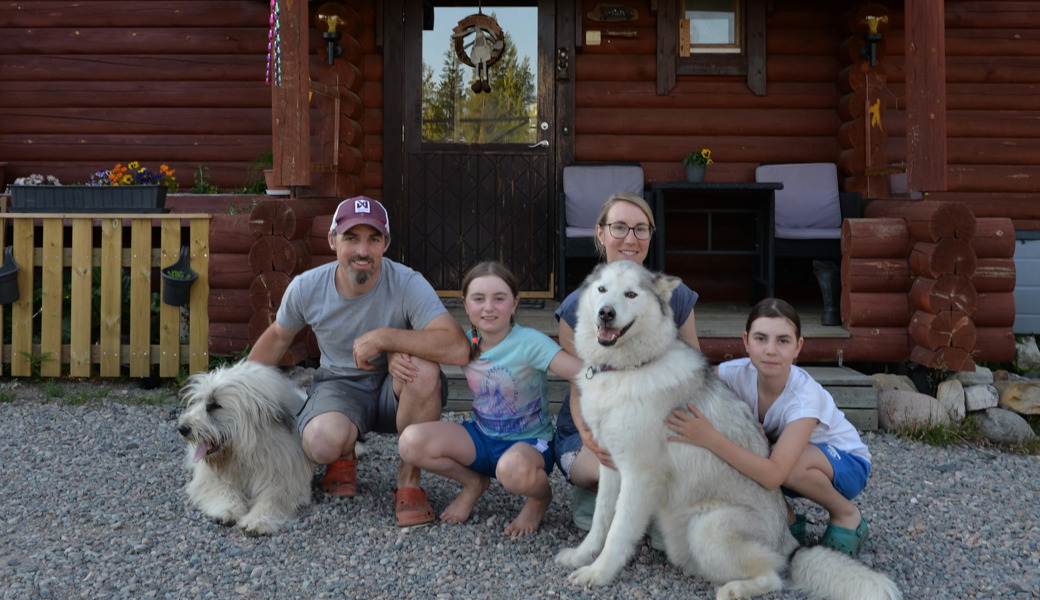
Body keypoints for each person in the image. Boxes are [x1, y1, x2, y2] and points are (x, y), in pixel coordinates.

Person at [248, 196, 470, 527]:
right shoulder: (307, 287)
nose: (362, 250)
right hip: (339, 385)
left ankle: (409, 479)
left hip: (394, 388)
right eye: (351, 238)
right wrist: (241, 389)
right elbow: (279, 337)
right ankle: (343, 453)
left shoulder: (408, 282)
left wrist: (387, 338)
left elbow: (457, 348)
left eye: (373, 239)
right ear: (333, 240)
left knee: (423, 371)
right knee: (319, 442)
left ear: (386, 243)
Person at [666, 298, 873, 557]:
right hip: (783, 459)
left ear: (798, 347)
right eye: (761, 338)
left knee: (780, 465)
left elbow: (775, 474)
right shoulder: (735, 373)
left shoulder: (805, 398)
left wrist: (709, 437)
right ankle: (785, 517)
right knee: (745, 447)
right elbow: (694, 383)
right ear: (746, 341)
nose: (771, 350)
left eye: (783, 341)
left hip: (846, 464)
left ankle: (846, 515)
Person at [553, 191, 701, 534]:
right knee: (599, 463)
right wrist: (592, 440)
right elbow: (580, 383)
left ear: (651, 235)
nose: (630, 239)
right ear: (600, 233)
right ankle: (600, 493)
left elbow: (694, 372)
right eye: (619, 227)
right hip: (595, 426)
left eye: (640, 229)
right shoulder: (578, 305)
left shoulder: (675, 296)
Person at [398, 261, 582, 536]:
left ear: (514, 303)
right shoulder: (463, 344)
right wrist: (392, 356)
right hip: (481, 437)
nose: (488, 307)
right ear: (465, 303)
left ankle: (540, 497)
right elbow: (414, 345)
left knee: (513, 469)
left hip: (528, 444)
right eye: (479, 298)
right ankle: (474, 483)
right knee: (410, 442)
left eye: (499, 299)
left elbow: (580, 374)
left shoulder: (529, 342)